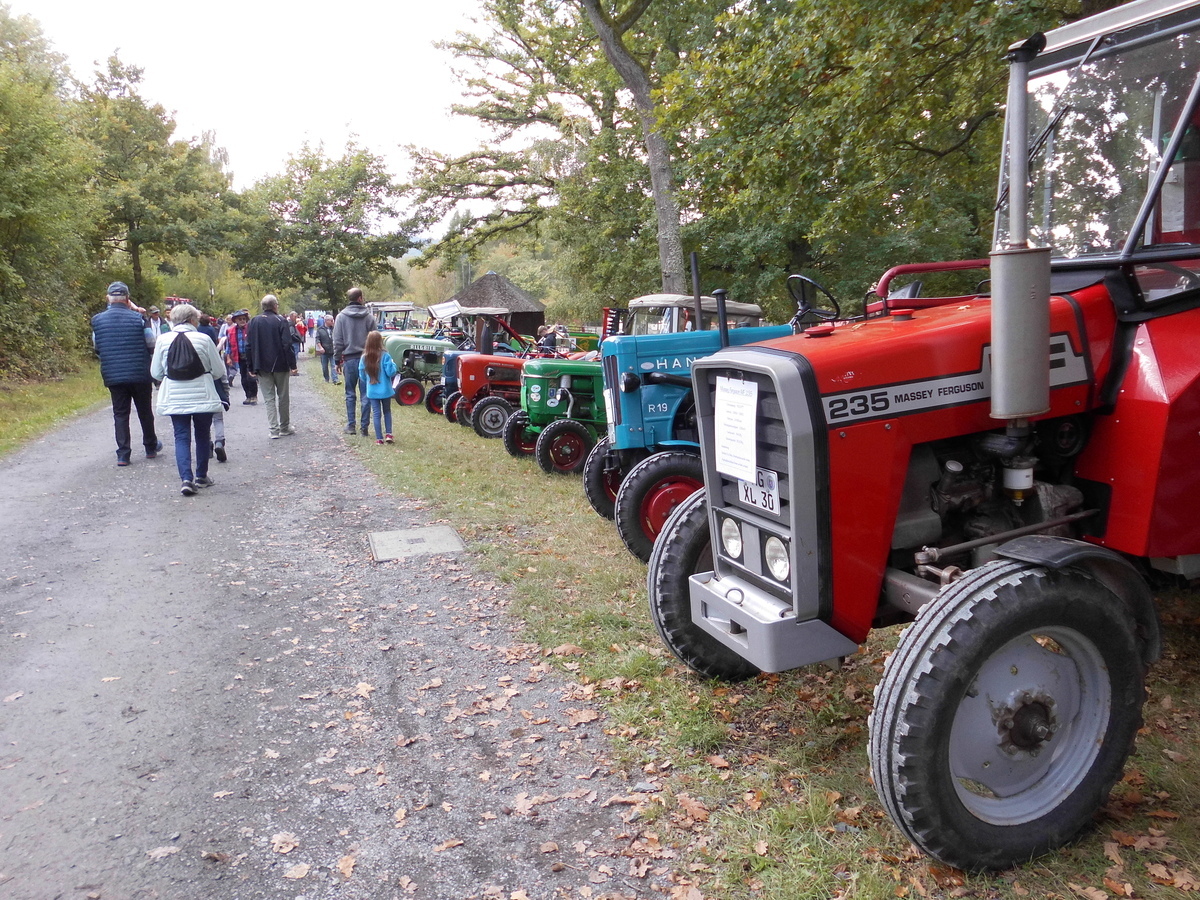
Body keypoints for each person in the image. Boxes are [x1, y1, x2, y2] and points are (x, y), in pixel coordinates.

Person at [150, 303, 227, 495]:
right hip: (202, 395)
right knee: (202, 434)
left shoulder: (163, 340)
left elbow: (156, 373)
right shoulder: (204, 339)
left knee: (181, 436)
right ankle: (201, 476)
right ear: (193, 320)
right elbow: (218, 370)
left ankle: (186, 479)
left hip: (175, 397)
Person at [91, 281, 162, 466]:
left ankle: (123, 454)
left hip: (113, 374)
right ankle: (150, 447)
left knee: (120, 413)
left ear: (108, 298)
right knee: (144, 410)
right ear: (128, 299)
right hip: (139, 373)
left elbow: (97, 347)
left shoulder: (97, 320)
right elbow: (151, 344)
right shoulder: (138, 319)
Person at [247, 294, 298, 439]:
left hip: (261, 365)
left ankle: (273, 429)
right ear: (275, 306)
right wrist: (293, 364)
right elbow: (287, 344)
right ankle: (284, 427)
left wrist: (251, 366)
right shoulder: (281, 320)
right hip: (280, 363)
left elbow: (249, 345)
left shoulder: (254, 321)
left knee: (269, 398)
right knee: (283, 397)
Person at [332, 286, 376, 435]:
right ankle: (364, 427)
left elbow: (337, 341)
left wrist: (337, 361)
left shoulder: (341, 317)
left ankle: (351, 426)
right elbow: (375, 340)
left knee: (350, 393)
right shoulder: (369, 317)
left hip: (349, 359)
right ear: (360, 298)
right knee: (366, 394)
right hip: (367, 359)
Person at [197, 317, 230, 462]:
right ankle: (219, 442)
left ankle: (208, 445)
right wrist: (226, 394)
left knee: (204, 421)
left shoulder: (195, 358)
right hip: (216, 393)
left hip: (202, 393)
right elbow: (223, 377)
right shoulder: (214, 357)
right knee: (218, 419)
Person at [358, 331, 396, 444]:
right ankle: (388, 434)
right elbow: (391, 372)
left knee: (376, 413)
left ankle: (379, 438)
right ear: (380, 341)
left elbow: (362, 375)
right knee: (387, 411)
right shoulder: (385, 355)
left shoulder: (364, 357)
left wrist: (368, 381)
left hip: (372, 390)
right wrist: (393, 364)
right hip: (385, 390)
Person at [224, 310, 257, 404]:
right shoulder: (231, 331)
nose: (242, 320)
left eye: (244, 319)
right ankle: (248, 396)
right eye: (240, 319)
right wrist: (228, 357)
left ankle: (253, 396)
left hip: (251, 356)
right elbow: (228, 345)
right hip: (240, 357)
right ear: (235, 320)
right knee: (244, 378)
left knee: (251, 377)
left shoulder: (250, 329)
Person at [315, 314, 338, 383]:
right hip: (324, 351)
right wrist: (320, 348)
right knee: (324, 366)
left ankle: (335, 379)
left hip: (333, 350)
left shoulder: (334, 329)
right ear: (326, 321)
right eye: (331, 320)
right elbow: (317, 339)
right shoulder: (320, 329)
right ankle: (326, 378)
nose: (332, 322)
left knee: (333, 365)